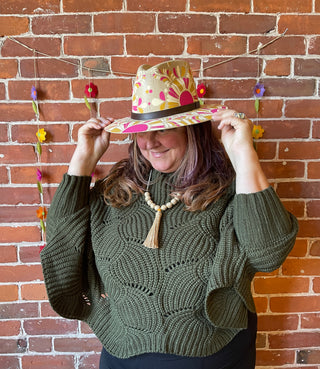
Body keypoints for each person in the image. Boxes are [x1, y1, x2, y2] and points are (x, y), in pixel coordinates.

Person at [41, 60, 298, 369]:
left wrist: (244, 155)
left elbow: (268, 253)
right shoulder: (114, 191)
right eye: (141, 132)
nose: (150, 142)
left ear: (192, 129)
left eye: (163, 129)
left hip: (213, 353)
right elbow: (60, 244)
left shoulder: (230, 188)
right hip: (123, 352)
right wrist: (81, 162)